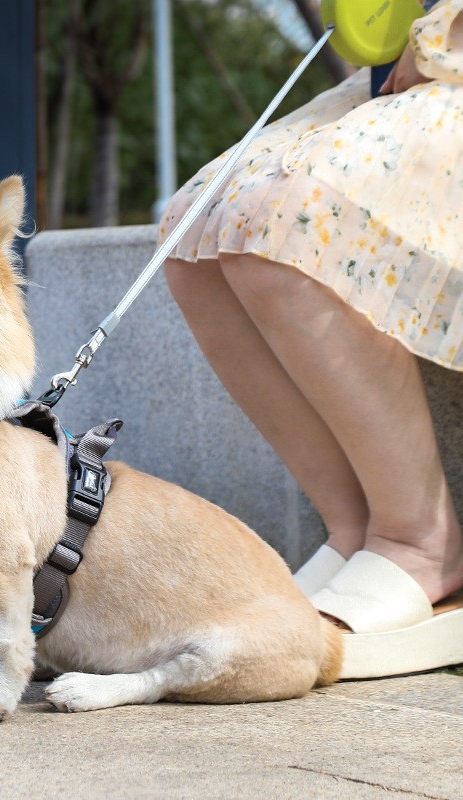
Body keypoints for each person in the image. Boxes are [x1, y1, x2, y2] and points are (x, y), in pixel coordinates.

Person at [161, 0, 463, 674]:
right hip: (403, 65)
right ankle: (354, 526)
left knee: (284, 218)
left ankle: (420, 538)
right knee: (191, 230)